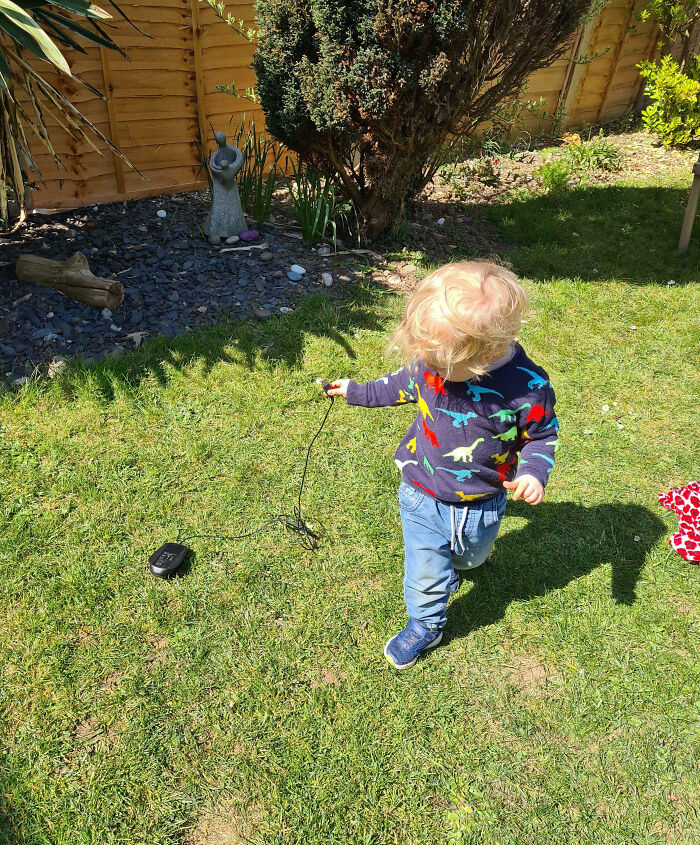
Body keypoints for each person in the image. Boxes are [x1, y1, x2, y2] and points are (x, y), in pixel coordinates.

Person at [326, 261, 558, 669]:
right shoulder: (434, 361)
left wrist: (532, 472)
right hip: (420, 491)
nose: (426, 366)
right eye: (424, 358)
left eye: (436, 363)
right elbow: (399, 384)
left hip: (483, 502)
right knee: (425, 568)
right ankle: (426, 623)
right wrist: (357, 391)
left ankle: (455, 564)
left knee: (470, 559)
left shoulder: (527, 388)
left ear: (484, 354)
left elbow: (542, 436)